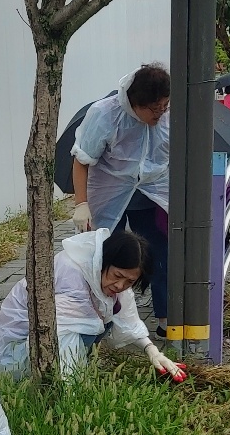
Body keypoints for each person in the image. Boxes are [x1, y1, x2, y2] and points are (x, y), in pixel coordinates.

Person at [0, 227, 185, 380]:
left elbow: (128, 319)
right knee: (90, 323)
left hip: (45, 342)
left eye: (130, 282)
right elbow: (62, 336)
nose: (120, 285)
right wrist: (73, 391)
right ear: (104, 261)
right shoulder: (72, 277)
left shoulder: (103, 274)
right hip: (15, 355)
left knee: (104, 316)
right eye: (118, 276)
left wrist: (152, 351)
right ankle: (46, 381)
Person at [71, 64, 171, 335]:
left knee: (161, 254)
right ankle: (101, 320)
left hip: (152, 195)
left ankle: (165, 318)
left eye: (164, 105)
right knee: (102, 257)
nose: (159, 113)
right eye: (153, 108)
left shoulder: (168, 116)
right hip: (108, 193)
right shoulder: (105, 114)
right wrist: (82, 204)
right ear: (134, 103)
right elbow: (82, 160)